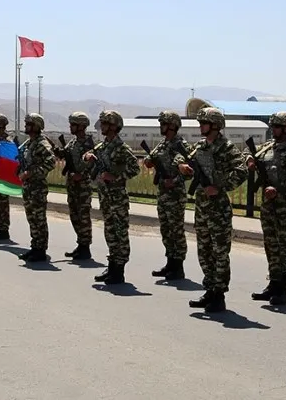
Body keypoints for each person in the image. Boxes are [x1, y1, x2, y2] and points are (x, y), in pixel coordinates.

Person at [179, 107, 248, 313]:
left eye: (204, 123)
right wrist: (183, 167)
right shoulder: (200, 146)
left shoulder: (227, 148)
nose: (201, 126)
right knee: (204, 250)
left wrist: (219, 187)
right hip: (202, 207)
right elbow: (182, 159)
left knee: (219, 252)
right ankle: (209, 288)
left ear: (215, 125)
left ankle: (219, 294)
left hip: (218, 208)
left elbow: (241, 171)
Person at [248, 112, 286, 305]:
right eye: (272, 126)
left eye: (276, 127)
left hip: (284, 205)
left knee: (284, 246)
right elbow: (251, 155)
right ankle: (273, 282)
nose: (272, 130)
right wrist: (249, 161)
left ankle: (283, 287)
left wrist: (280, 189)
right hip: (268, 205)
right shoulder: (268, 147)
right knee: (270, 244)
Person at [83, 110, 141, 284]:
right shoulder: (102, 147)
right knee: (110, 232)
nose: (102, 127)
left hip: (117, 197)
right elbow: (89, 156)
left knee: (120, 233)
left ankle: (119, 269)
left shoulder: (122, 148)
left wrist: (116, 177)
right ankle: (112, 265)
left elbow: (135, 168)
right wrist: (87, 157)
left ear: (114, 126)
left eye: (105, 124)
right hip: (105, 196)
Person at [145, 110, 193, 281]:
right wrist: (148, 161)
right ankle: (170, 262)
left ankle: (178, 266)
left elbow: (190, 169)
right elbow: (150, 158)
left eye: (164, 123)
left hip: (175, 195)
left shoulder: (181, 145)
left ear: (172, 125)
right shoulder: (163, 144)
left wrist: (176, 179)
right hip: (163, 193)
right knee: (166, 229)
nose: (161, 126)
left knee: (176, 230)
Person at [53, 112, 96, 260]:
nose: (70, 127)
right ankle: (80, 244)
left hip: (83, 185)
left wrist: (82, 175)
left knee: (83, 215)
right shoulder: (72, 142)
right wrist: (59, 152)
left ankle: (85, 247)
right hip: (72, 184)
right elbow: (67, 155)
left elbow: (92, 164)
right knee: (74, 215)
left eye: (73, 124)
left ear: (81, 126)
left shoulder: (88, 144)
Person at [17, 113, 58, 262]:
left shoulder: (42, 143)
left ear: (36, 126)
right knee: (31, 218)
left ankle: (41, 249)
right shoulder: (29, 143)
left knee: (39, 219)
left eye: (29, 124)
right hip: (28, 187)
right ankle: (35, 247)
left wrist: (31, 173)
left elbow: (51, 162)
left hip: (37, 187)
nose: (26, 126)